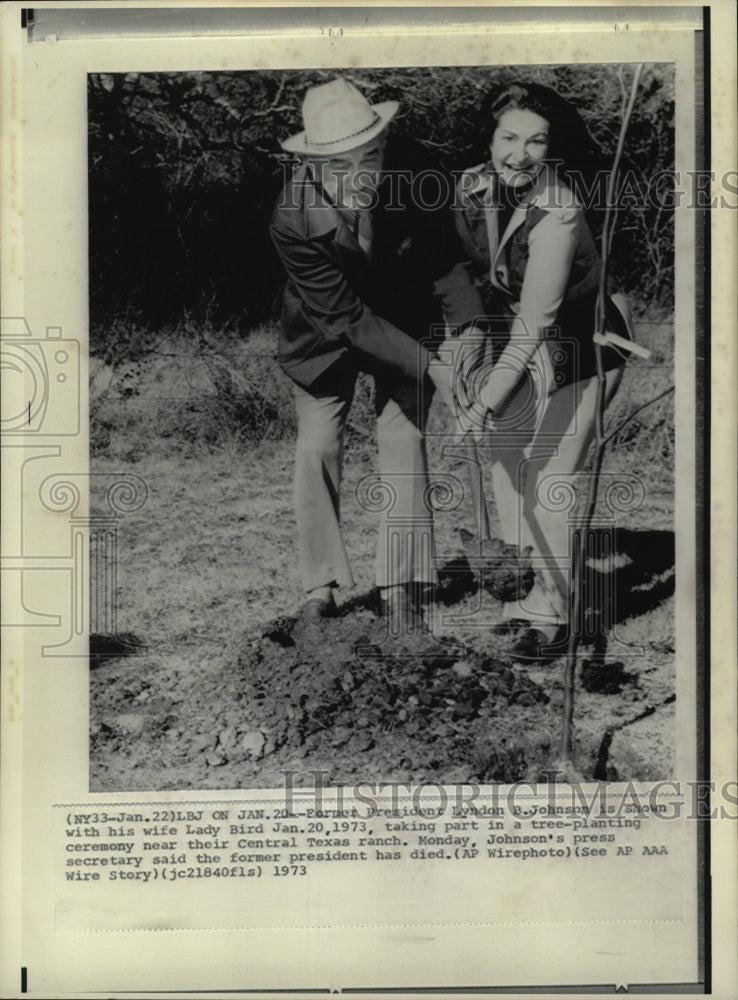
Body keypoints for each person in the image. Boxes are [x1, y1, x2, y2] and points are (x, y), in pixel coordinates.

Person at [435, 81, 631, 662]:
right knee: (505, 469)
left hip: (581, 348)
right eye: (509, 138)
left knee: (548, 481)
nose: (520, 155)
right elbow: (453, 271)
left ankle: (555, 616)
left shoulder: (560, 211)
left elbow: (537, 324)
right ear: (489, 140)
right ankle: (523, 602)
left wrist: (480, 406)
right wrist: (460, 358)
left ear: (553, 148)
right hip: (511, 343)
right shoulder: (469, 185)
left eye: (537, 141)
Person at [270, 77, 458, 632]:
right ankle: (320, 585)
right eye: (340, 167)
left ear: (382, 148)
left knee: (404, 437)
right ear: (312, 165)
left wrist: (464, 333)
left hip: (406, 324)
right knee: (316, 445)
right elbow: (346, 318)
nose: (361, 177)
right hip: (325, 337)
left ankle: (400, 585)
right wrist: (435, 367)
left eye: (369, 158)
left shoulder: (416, 180)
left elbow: (445, 261)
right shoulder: (290, 217)